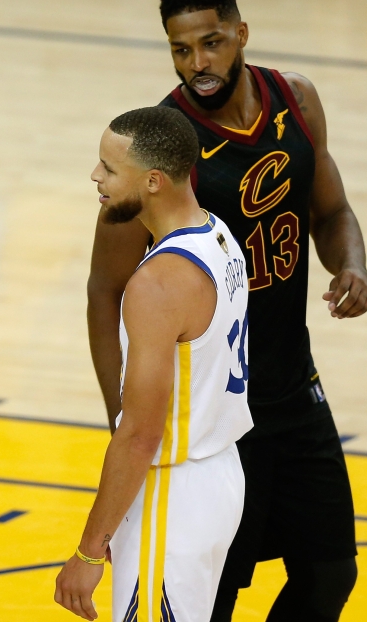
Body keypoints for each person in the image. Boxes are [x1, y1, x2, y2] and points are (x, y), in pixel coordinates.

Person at [86, 0, 367, 622]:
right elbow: (104, 290)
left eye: (211, 43)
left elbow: (332, 211)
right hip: (217, 416)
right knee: (216, 596)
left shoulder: (296, 100)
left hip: (294, 385)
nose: (198, 63)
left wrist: (351, 265)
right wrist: (120, 416)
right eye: (181, 49)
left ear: (241, 34)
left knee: (331, 574)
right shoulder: (161, 149)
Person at [56, 107, 252, 622]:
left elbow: (141, 433)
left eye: (108, 168)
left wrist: (88, 551)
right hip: (219, 473)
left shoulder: (158, 283)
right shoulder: (219, 236)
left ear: (152, 181)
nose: (95, 177)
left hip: (174, 489)